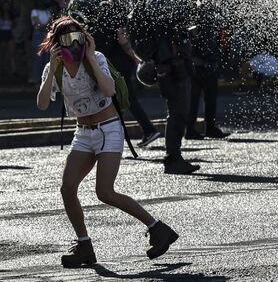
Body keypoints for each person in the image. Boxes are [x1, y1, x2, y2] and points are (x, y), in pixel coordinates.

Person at [36, 16, 179, 268]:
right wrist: (51, 67)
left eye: (77, 37)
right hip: (83, 132)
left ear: (85, 39)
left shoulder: (97, 58)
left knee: (104, 192)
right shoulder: (54, 68)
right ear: (56, 43)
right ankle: (84, 245)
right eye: (66, 39)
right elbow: (43, 103)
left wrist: (90, 57)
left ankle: (158, 229)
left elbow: (110, 90)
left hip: (109, 129)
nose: (73, 44)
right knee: (67, 188)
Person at [69, 0, 162, 148]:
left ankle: (144, 130)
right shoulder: (113, 11)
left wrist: (135, 58)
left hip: (116, 63)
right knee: (118, 99)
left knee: (123, 98)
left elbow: (120, 38)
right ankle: (127, 134)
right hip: (118, 61)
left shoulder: (105, 14)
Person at [128, 0, 197, 174]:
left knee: (177, 112)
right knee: (178, 112)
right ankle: (172, 158)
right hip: (171, 65)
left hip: (170, 64)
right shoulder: (159, 3)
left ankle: (174, 156)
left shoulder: (152, 2)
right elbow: (169, 28)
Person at [185, 0, 230, 140]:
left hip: (205, 62)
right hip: (198, 64)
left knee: (207, 98)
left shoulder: (204, 16)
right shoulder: (196, 18)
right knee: (196, 98)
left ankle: (207, 127)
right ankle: (192, 129)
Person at [29, 0, 54, 84]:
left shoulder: (48, 11)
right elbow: (37, 24)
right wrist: (44, 25)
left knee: (46, 58)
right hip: (38, 35)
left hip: (46, 35)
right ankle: (36, 79)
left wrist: (43, 25)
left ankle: (44, 79)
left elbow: (49, 24)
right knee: (38, 58)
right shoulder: (34, 11)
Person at [0, 1, 16, 76]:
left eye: (7, 5)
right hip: (2, 33)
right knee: (2, 53)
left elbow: (13, 26)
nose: (6, 7)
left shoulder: (11, 15)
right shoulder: (1, 15)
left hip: (9, 33)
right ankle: (2, 68)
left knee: (11, 53)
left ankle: (13, 70)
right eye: (5, 5)